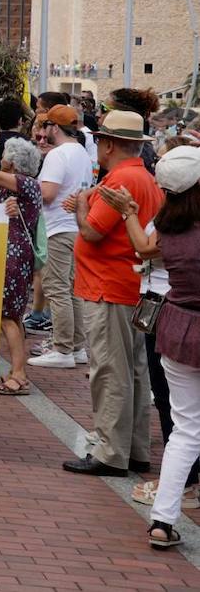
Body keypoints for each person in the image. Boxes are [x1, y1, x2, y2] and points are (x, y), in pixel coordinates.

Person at [88, 147, 200, 548]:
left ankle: (163, 520)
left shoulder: (168, 228)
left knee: (184, 430)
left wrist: (130, 212)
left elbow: (141, 247)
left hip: (177, 327)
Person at [62, 110, 161, 477]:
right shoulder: (144, 177)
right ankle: (133, 448)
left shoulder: (121, 179)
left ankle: (109, 451)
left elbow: (92, 232)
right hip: (131, 285)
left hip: (108, 286)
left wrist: (82, 207)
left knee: (109, 370)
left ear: (108, 144)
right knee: (133, 371)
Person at [0, 130, 44, 397]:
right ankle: (16, 371)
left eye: (4, 154)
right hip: (12, 254)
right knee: (11, 315)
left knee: (6, 317)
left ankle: (19, 374)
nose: (0, 157)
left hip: (11, 255)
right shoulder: (14, 185)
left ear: (13, 162)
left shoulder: (24, 183)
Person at [26, 105, 95, 369]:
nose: (43, 132)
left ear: (54, 128)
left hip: (57, 228)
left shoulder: (58, 154)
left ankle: (63, 348)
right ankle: (76, 347)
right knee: (71, 289)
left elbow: (48, 194)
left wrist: (25, 186)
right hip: (75, 227)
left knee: (56, 288)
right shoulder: (81, 152)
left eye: (46, 126)